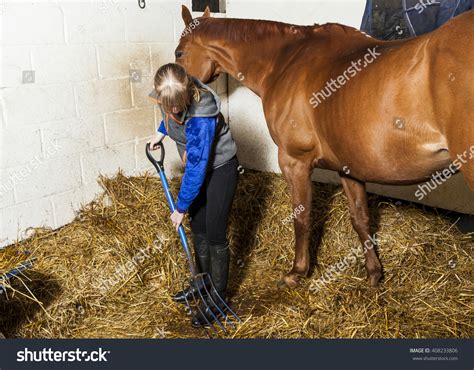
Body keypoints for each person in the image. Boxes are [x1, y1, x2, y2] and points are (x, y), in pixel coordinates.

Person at [147, 63, 239, 327]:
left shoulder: (202, 116)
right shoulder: (167, 92)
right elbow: (170, 117)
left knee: (214, 231)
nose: (173, 109)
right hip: (198, 168)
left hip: (221, 169)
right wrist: (160, 132)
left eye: (178, 105)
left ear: (188, 92)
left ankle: (218, 300)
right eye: (168, 105)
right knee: (198, 226)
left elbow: (197, 167)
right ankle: (202, 282)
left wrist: (180, 206)